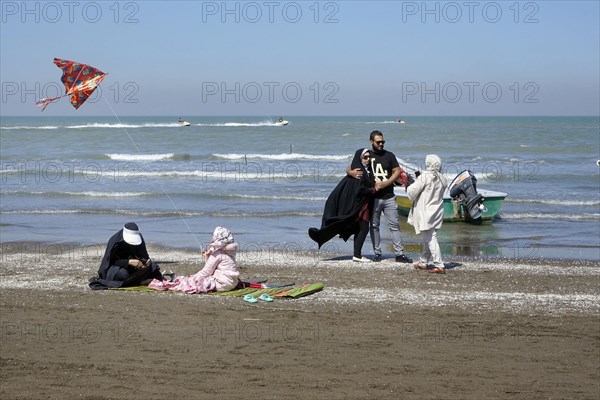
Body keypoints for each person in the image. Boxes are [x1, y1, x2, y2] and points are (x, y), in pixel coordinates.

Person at [347, 131, 412, 263]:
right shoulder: (368, 155)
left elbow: (397, 171)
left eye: (382, 141)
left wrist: (386, 183)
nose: (381, 144)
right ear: (371, 142)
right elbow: (351, 166)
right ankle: (377, 253)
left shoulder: (389, 155)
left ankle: (399, 254)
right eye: (378, 142)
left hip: (389, 196)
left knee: (394, 225)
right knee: (374, 226)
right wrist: (351, 172)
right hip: (373, 198)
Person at [309, 148, 376, 262]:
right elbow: (360, 191)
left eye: (369, 157)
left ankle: (357, 254)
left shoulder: (364, 170)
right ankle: (357, 255)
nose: (368, 160)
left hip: (361, 206)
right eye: (365, 157)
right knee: (363, 229)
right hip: (359, 207)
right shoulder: (359, 172)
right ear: (360, 158)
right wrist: (374, 189)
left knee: (360, 229)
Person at [149, 227, 240, 293]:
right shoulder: (229, 252)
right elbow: (215, 265)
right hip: (232, 282)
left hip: (221, 284)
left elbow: (206, 272)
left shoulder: (217, 253)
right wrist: (208, 255)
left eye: (213, 234)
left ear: (218, 238)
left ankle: (170, 283)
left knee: (193, 282)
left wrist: (192, 277)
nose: (212, 236)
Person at [407, 154, 448, 274]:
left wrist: (409, 183)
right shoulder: (443, 178)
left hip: (425, 212)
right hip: (437, 211)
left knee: (430, 238)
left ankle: (439, 265)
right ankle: (423, 262)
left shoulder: (424, 176)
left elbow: (411, 193)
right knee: (428, 237)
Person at [88, 222, 162, 290]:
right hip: (118, 268)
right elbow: (111, 262)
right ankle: (141, 282)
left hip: (135, 269)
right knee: (122, 273)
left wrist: (145, 262)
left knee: (154, 267)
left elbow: (143, 256)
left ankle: (138, 280)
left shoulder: (140, 238)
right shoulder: (116, 241)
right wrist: (128, 262)